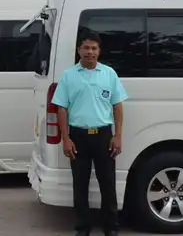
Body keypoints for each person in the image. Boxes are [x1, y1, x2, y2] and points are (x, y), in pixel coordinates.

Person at [52, 31, 128, 236]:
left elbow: (118, 106)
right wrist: (66, 139)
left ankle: (111, 227)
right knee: (80, 184)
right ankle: (83, 227)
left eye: (94, 48)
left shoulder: (109, 74)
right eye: (86, 48)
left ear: (99, 51)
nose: (90, 52)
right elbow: (61, 108)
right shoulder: (69, 75)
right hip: (78, 137)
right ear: (79, 50)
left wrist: (118, 135)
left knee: (107, 184)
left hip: (104, 136)